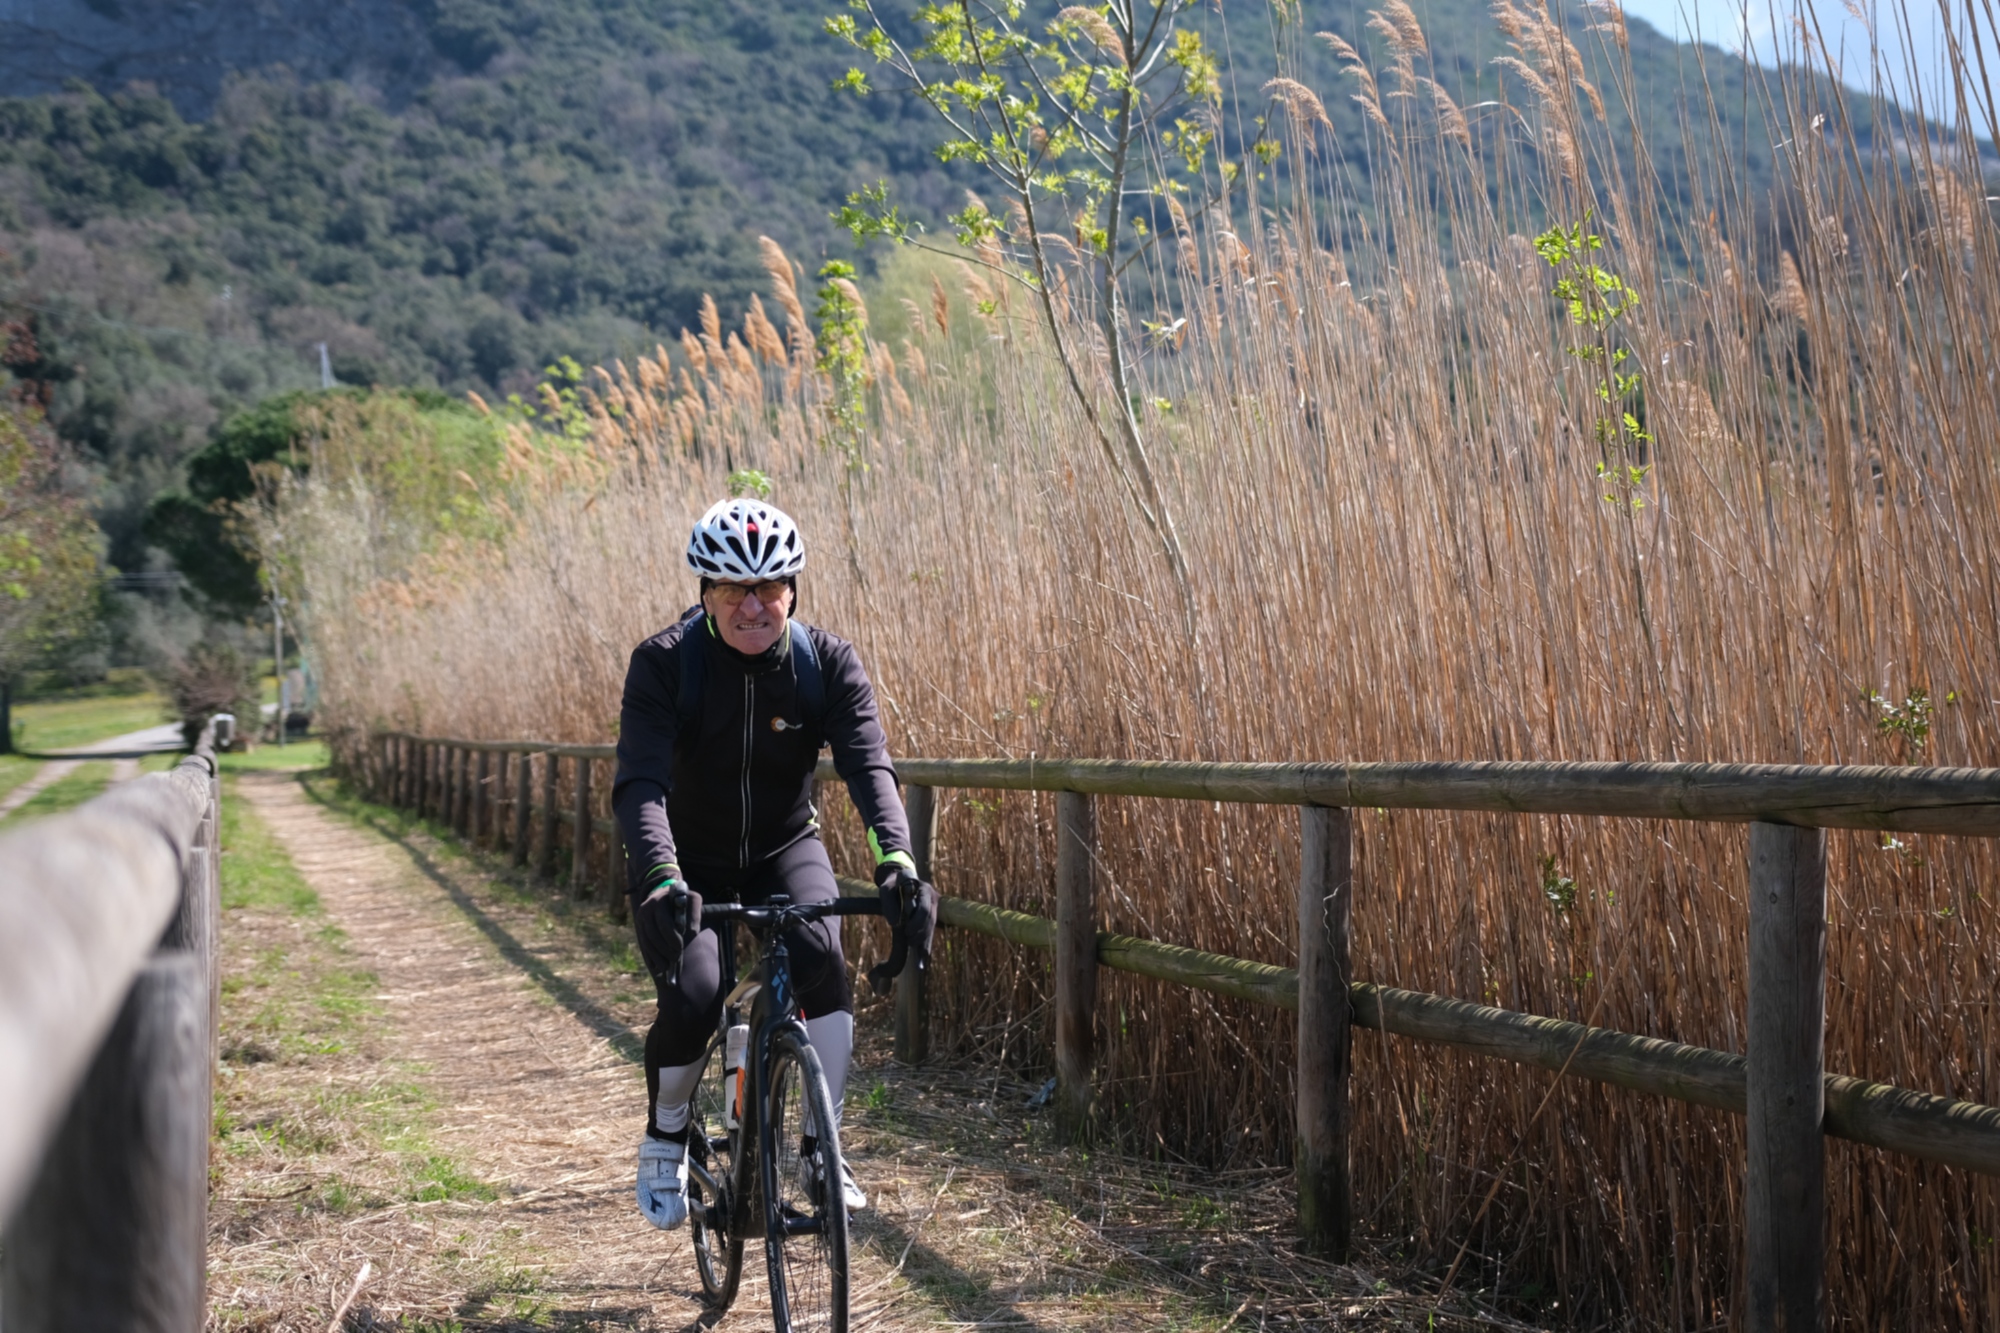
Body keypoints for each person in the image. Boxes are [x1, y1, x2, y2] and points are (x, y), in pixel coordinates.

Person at [613, 497, 935, 1231]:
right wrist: (660, 873)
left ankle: (822, 1149)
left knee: (822, 953)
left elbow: (868, 766)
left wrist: (899, 860)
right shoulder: (665, 664)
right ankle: (667, 1132)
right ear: (706, 593)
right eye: (733, 589)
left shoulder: (826, 663)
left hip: (782, 847)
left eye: (769, 588)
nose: (752, 606)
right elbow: (639, 784)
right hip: (684, 861)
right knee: (698, 991)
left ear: (793, 588)